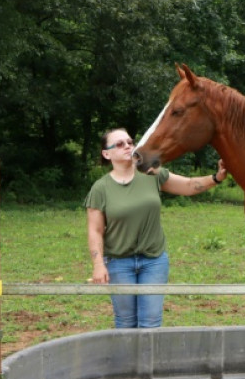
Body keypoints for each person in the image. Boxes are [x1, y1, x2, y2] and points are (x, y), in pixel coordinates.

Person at [85, 127, 227, 328]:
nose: (127, 146)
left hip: (154, 261)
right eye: (119, 144)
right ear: (106, 154)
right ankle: (129, 361)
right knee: (125, 322)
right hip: (119, 263)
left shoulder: (152, 173)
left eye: (129, 142)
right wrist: (98, 264)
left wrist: (216, 178)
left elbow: (188, 185)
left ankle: (147, 361)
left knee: (150, 322)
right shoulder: (100, 188)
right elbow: (95, 231)